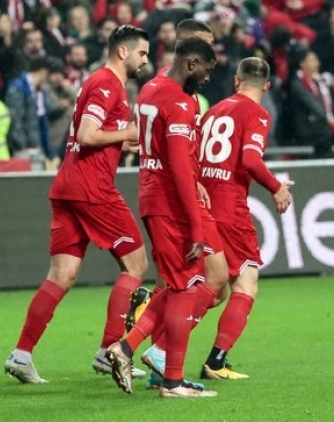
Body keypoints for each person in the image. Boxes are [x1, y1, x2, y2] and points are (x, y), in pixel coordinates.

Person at [4, 25, 151, 385]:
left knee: (62, 274)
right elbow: (86, 135)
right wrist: (128, 133)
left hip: (69, 186)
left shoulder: (96, 82)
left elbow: (92, 134)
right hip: (92, 188)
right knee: (136, 264)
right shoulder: (107, 84)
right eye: (142, 53)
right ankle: (108, 351)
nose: (145, 60)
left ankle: (21, 354)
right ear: (123, 52)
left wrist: (118, 142)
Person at [105, 36, 218, 399]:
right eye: (205, 70)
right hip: (170, 203)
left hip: (151, 195)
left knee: (175, 286)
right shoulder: (179, 101)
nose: (206, 79)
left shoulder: (150, 88)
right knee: (186, 287)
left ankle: (126, 347)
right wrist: (196, 225)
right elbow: (180, 168)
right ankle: (172, 381)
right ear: (191, 63)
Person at [130, 19, 230, 390]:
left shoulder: (163, 87)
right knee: (205, 282)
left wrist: (197, 179)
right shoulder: (175, 93)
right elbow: (173, 156)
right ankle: (158, 355)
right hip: (175, 196)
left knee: (185, 285)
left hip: (176, 189)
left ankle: (150, 355)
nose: (210, 60)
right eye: (206, 47)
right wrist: (192, 201)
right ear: (190, 52)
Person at [196, 57, 294, 380]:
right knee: (246, 282)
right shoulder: (257, 114)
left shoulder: (212, 111)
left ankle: (154, 326)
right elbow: (251, 160)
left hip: (201, 204)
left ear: (236, 81)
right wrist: (276, 187)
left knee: (214, 289)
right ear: (267, 87)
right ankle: (215, 361)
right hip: (229, 209)